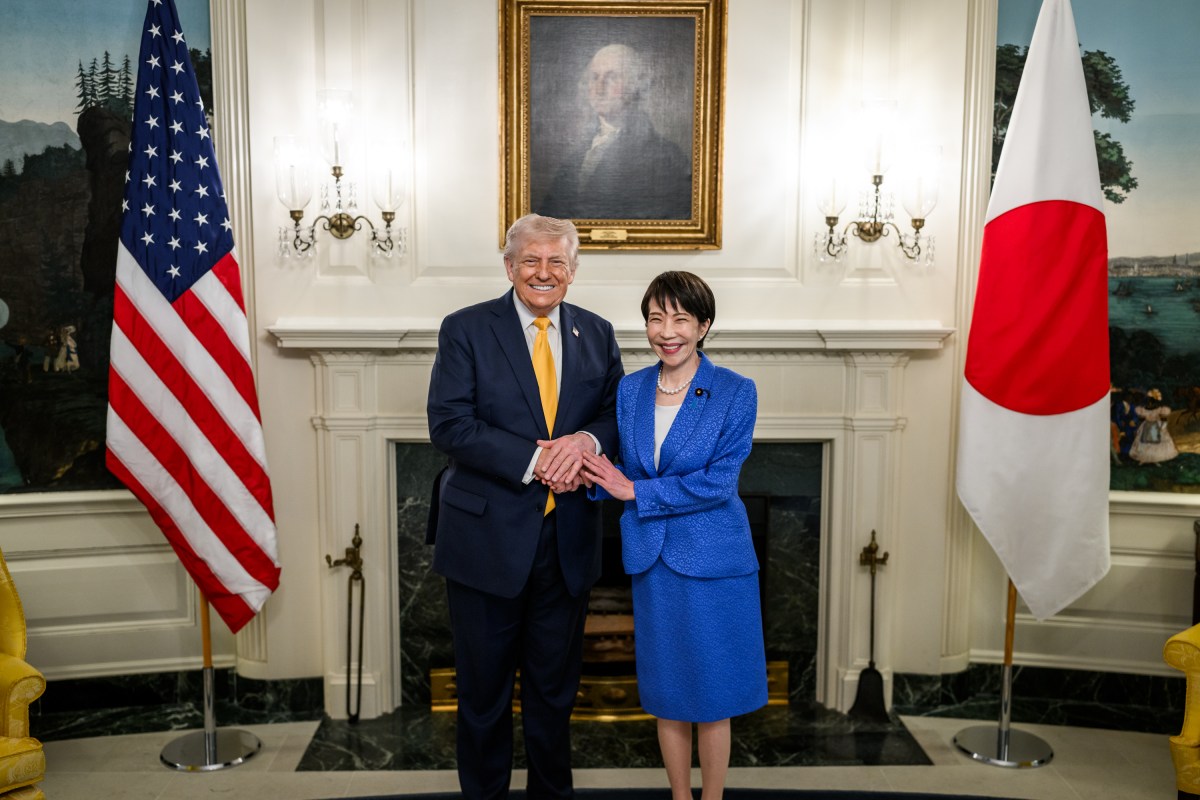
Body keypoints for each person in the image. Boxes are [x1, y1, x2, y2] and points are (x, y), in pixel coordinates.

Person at [426, 213, 623, 799]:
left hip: (567, 544)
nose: (544, 272)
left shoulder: (599, 332)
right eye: (531, 260)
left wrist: (585, 444)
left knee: (554, 695)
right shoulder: (465, 329)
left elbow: (616, 418)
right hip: (486, 543)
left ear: (573, 270)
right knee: (483, 698)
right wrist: (540, 461)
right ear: (509, 266)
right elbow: (450, 424)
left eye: (556, 262)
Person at [580, 271, 767, 800]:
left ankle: (713, 798)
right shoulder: (631, 389)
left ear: (703, 325)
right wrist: (587, 473)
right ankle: (679, 797)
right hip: (653, 559)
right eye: (656, 318)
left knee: (713, 691)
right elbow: (621, 469)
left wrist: (633, 493)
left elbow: (719, 482)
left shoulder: (735, 391)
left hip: (715, 563)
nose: (668, 331)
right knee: (667, 692)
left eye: (681, 318)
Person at [537, 43, 692, 221]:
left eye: (612, 77)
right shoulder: (576, 157)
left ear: (636, 85)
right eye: (594, 77)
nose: (599, 88)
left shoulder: (668, 158)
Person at [1129, 387, 1178, 465]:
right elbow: (1141, 418)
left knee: (1155, 444)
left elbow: (1164, 419)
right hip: (1146, 426)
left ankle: (1155, 459)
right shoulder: (1143, 409)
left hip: (1156, 426)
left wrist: (1162, 427)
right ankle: (1144, 459)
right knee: (1145, 443)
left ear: (1155, 400)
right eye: (1149, 400)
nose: (1150, 402)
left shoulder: (1160, 409)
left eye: (1151, 400)